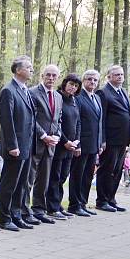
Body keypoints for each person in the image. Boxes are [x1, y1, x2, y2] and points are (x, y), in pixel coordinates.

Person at [0, 55, 37, 232]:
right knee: (9, 184)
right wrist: (12, 146)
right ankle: (4, 219)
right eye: (28, 67)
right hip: (15, 148)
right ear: (18, 70)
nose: (31, 70)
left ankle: (16, 215)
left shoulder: (25, 90)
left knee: (21, 184)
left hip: (26, 146)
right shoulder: (8, 90)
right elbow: (7, 121)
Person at [21, 64, 62, 225]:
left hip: (51, 144)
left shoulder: (58, 96)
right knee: (28, 179)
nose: (51, 78)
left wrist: (57, 136)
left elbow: (59, 119)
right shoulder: (32, 93)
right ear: (42, 76)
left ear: (58, 77)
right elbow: (32, 119)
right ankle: (24, 211)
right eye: (48, 75)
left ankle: (39, 209)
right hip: (35, 143)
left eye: (54, 75)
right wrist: (44, 136)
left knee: (43, 179)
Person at [95, 65, 130, 212]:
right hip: (110, 139)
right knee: (106, 170)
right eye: (116, 74)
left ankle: (111, 199)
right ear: (109, 77)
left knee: (117, 171)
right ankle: (102, 200)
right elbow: (101, 119)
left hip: (123, 139)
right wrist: (102, 139)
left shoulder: (123, 91)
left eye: (122, 74)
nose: (120, 77)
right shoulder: (103, 93)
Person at [46, 74, 82, 219]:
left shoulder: (74, 101)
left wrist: (76, 142)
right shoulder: (58, 98)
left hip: (71, 146)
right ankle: (52, 208)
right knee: (54, 177)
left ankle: (58, 205)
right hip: (60, 145)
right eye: (70, 83)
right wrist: (66, 141)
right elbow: (57, 123)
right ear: (65, 83)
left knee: (62, 177)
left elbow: (78, 123)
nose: (72, 87)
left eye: (75, 85)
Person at [68, 69, 103, 217]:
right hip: (82, 144)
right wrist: (78, 144)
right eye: (89, 79)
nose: (92, 82)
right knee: (77, 175)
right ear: (84, 81)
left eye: (95, 80)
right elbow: (77, 122)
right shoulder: (78, 97)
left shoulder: (97, 98)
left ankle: (82, 203)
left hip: (94, 145)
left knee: (88, 175)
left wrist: (100, 142)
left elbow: (100, 122)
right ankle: (74, 204)